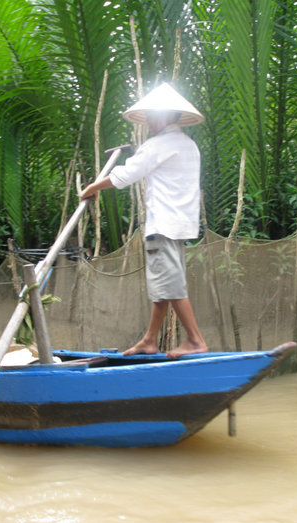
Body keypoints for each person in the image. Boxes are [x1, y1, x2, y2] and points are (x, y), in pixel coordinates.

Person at [80, 82, 208, 359]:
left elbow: (125, 176)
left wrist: (91, 188)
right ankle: (150, 340)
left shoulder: (159, 144)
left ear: (166, 116)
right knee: (163, 284)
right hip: (180, 225)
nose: (148, 121)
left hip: (163, 225)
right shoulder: (188, 145)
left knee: (171, 284)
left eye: (152, 116)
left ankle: (196, 340)